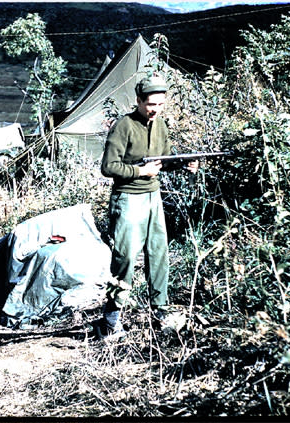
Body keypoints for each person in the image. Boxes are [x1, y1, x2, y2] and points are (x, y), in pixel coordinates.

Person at [97, 75, 198, 339]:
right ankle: (111, 319)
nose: (155, 109)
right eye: (150, 104)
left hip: (153, 198)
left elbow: (162, 160)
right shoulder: (124, 126)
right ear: (138, 101)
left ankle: (160, 312)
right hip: (128, 198)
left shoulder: (160, 124)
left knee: (158, 254)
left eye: (160, 104)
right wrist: (140, 171)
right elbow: (108, 167)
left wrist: (185, 163)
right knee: (126, 258)